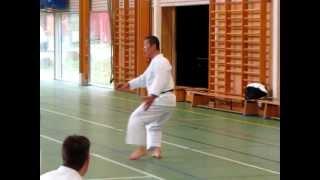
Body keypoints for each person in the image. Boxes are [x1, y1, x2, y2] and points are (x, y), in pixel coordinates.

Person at [117, 35, 176, 160]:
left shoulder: (161, 62)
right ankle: (156, 150)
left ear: (153, 46)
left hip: (161, 99)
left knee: (136, 118)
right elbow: (144, 78)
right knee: (155, 125)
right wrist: (129, 84)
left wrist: (152, 96)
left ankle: (141, 148)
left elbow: (161, 79)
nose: (144, 49)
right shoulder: (156, 62)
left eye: (145, 46)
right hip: (167, 100)